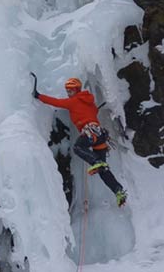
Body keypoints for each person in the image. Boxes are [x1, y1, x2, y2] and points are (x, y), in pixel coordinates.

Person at [33, 75, 127, 207]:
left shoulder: (73, 101)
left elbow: (56, 102)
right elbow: (93, 111)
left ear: (77, 90)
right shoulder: (89, 102)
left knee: (78, 147)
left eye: (70, 90)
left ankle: (96, 161)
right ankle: (118, 191)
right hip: (100, 134)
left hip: (91, 132)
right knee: (103, 171)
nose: (68, 93)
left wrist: (38, 96)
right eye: (67, 90)